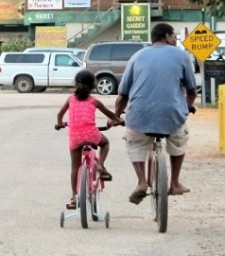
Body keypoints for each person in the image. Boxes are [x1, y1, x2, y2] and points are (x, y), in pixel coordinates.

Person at [113, 23, 197, 205]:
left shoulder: (137, 56)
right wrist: (187, 108)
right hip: (172, 115)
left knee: (134, 142)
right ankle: (174, 183)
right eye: (174, 36)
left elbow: (123, 95)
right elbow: (192, 91)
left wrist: (117, 115)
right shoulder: (182, 56)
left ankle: (142, 182)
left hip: (139, 115)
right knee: (179, 139)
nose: (175, 40)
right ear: (167, 36)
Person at [56, 69, 123, 209]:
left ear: (75, 84)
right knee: (105, 143)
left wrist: (60, 123)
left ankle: (74, 197)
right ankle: (100, 165)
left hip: (75, 136)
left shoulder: (70, 99)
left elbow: (60, 114)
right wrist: (119, 121)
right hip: (91, 134)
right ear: (93, 86)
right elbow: (110, 114)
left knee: (75, 166)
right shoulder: (94, 101)